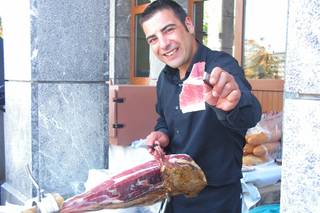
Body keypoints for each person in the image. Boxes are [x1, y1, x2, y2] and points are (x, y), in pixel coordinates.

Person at [140, 1, 262, 213]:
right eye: (153, 39)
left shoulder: (220, 66)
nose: (163, 44)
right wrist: (162, 134)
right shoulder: (165, 78)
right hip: (175, 194)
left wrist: (233, 103)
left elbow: (251, 114)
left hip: (216, 198)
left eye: (168, 30)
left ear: (188, 24)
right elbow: (164, 118)